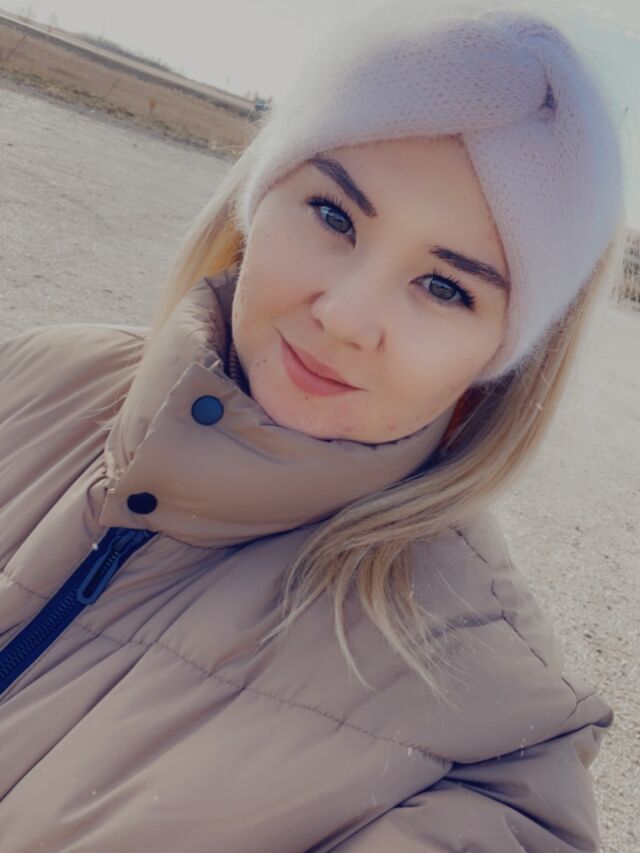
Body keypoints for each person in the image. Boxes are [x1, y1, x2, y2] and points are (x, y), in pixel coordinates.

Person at [0, 1, 627, 850]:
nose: (344, 315)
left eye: (446, 287)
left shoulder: (489, 741)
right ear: (258, 200)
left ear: (503, 357)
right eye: (335, 215)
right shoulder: (34, 373)